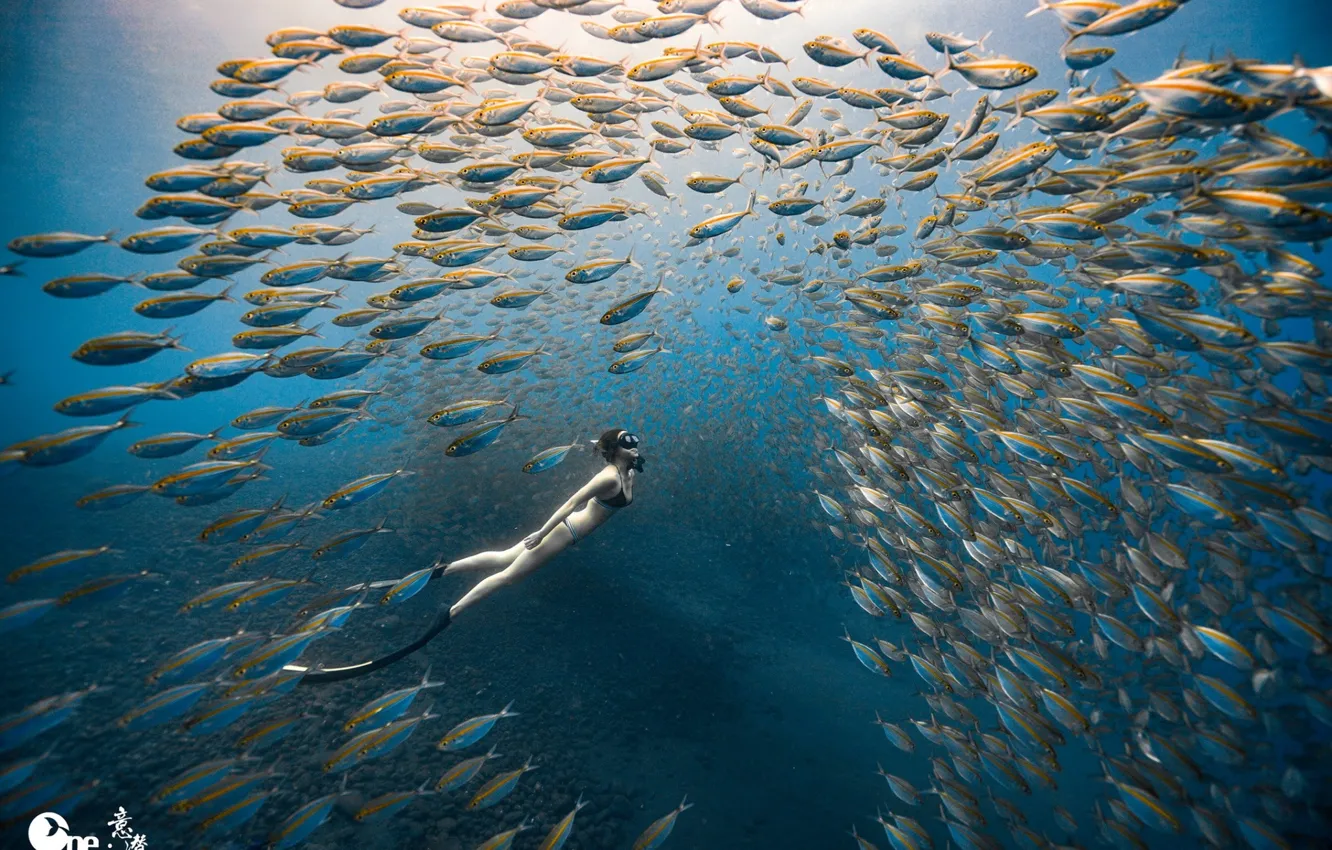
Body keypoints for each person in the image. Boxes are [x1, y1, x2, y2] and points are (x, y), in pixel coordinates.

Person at [288, 428, 643, 685]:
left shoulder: (627, 470)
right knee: (508, 577)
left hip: (567, 531)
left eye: (635, 443)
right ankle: (450, 614)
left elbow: (621, 472)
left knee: (504, 557)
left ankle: (440, 572)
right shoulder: (608, 477)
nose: (635, 447)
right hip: (564, 532)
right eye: (629, 444)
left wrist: (631, 461)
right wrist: (542, 533)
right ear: (615, 452)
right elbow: (572, 502)